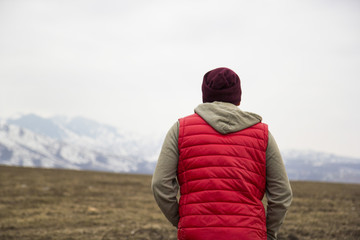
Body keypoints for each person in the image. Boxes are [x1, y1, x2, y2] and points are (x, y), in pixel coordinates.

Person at [151, 67, 292, 240]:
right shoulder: (262, 135)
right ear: (238, 99)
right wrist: (267, 233)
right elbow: (282, 193)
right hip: (248, 234)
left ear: (205, 96)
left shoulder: (181, 129)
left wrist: (183, 221)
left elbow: (160, 184)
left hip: (196, 234)